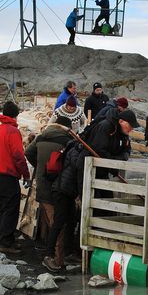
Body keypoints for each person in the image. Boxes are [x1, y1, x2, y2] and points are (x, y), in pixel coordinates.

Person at [46, 109, 138, 272]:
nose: (131, 130)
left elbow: (123, 150)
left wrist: (118, 159)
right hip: (69, 185)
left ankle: (78, 251)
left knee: (81, 217)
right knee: (65, 219)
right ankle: (51, 255)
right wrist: (83, 194)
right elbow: (97, 153)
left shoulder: (120, 134)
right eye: (130, 126)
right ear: (123, 122)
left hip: (89, 178)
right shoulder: (104, 128)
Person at [24, 115, 73, 261]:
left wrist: (39, 167)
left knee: (50, 218)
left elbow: (28, 152)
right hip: (59, 186)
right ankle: (57, 258)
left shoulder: (41, 137)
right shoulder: (67, 141)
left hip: (42, 183)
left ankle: (47, 249)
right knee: (58, 222)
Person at [0, 101, 30, 255]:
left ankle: (7, 239)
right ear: (15, 115)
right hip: (8, 176)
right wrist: (26, 174)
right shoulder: (12, 131)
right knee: (11, 210)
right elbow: (18, 156)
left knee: (3, 209)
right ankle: (5, 243)